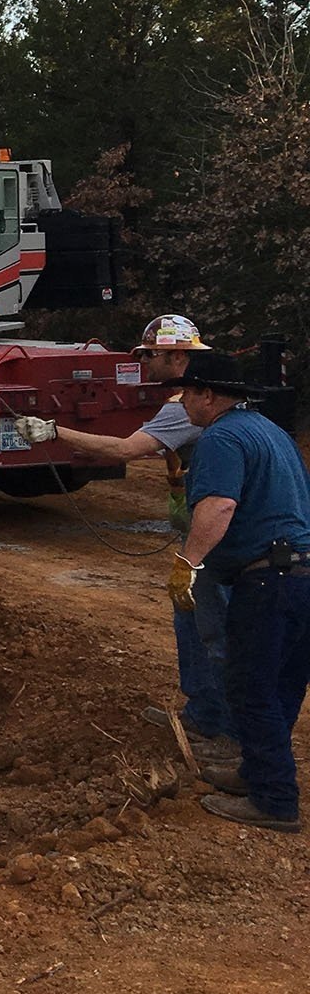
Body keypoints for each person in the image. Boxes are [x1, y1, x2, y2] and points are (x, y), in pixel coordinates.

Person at [13, 315, 236, 762]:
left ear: (177, 356)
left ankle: (220, 729)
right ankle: (204, 715)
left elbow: (125, 450)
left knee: (210, 628)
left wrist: (53, 431)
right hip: (212, 532)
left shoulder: (186, 405)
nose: (143, 362)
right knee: (193, 621)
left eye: (149, 355)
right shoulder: (212, 396)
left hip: (214, 541)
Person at [171, 349, 310, 832]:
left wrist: (186, 564)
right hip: (302, 574)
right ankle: (258, 772)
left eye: (187, 393)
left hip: (267, 578)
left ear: (208, 395)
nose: (183, 402)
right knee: (281, 685)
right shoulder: (273, 433)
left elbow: (220, 506)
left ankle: (274, 800)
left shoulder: (221, 437)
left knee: (250, 687)